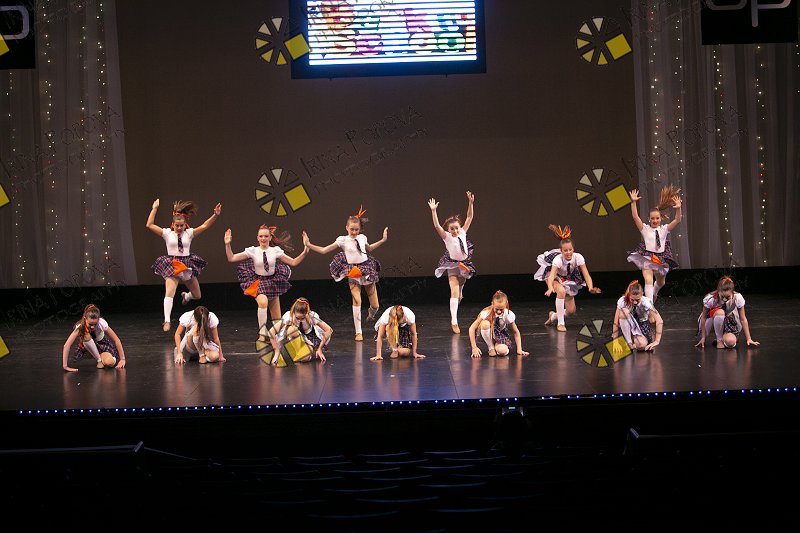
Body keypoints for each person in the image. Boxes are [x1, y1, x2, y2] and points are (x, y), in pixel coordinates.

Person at [303, 205, 388, 341]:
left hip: (366, 269)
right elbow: (324, 250)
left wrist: (382, 240)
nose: (354, 232)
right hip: (353, 271)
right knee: (357, 300)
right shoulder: (342, 240)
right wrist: (309, 245)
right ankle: (358, 332)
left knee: (375, 305)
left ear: (359, 229)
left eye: (356, 229)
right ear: (346, 227)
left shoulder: (362, 237)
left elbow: (370, 249)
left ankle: (371, 315)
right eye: (352, 229)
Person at [147, 199, 221, 331]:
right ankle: (167, 320)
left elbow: (204, 226)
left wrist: (215, 215)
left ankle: (186, 296)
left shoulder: (189, 233)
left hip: (186, 264)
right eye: (177, 225)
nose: (179, 228)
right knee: (170, 291)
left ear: (185, 224)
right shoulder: (167, 233)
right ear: (173, 224)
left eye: (181, 225)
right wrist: (154, 209)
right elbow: (150, 225)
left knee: (197, 295)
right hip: (172, 264)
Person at [224, 226, 309, 339]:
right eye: (261, 236)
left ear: (270, 238)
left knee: (277, 320)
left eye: (266, 236)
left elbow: (293, 262)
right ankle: (262, 334)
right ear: (257, 238)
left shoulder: (275, 251)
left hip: (272, 283)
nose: (263, 238)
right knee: (263, 302)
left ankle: (278, 338)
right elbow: (232, 258)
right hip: (259, 282)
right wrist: (227, 244)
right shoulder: (253, 250)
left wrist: (305, 251)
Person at [535, 224, 601, 332]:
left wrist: (590, 288)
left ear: (573, 249)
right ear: (561, 251)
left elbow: (586, 275)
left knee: (571, 311)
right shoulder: (558, 259)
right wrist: (550, 288)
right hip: (555, 278)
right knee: (561, 291)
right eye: (565, 250)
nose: (568, 252)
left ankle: (553, 316)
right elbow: (551, 276)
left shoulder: (578, 257)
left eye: (570, 250)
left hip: (568, 279)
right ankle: (561, 324)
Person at [428, 191, 476, 334]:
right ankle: (454, 321)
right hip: (453, 264)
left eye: (456, 228)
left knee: (461, 285)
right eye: (452, 229)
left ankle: (461, 291)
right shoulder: (447, 237)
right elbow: (437, 226)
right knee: (453, 291)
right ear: (448, 230)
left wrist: (470, 203)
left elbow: (469, 216)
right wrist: (434, 211)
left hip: (464, 264)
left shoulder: (463, 232)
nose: (455, 231)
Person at [626, 185, 682, 303]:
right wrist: (633, 202)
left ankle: (655, 292)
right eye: (652, 218)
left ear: (660, 218)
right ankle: (649, 306)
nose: (655, 220)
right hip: (648, 257)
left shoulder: (664, 229)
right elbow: (635, 217)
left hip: (661, 258)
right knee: (648, 280)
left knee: (661, 282)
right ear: (649, 219)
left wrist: (678, 208)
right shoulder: (645, 229)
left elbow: (677, 220)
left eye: (657, 218)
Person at [695, 276, 759, 349]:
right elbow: (703, 317)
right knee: (720, 312)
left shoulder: (737, 298)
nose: (724, 299)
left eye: (727, 297)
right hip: (712, 320)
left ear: (732, 293)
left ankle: (723, 337)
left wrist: (749, 338)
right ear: (718, 291)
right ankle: (719, 340)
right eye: (722, 296)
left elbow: (743, 319)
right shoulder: (711, 299)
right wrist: (703, 337)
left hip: (728, 321)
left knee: (730, 342)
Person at [62, 304, 126, 372]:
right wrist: (65, 366)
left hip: (102, 345)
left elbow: (116, 339)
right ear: (85, 319)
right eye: (90, 324)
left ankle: (104, 357)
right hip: (89, 350)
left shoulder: (102, 323)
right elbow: (67, 345)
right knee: (85, 333)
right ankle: (99, 360)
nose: (92, 327)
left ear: (98, 320)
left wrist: (122, 359)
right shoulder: (80, 326)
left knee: (109, 362)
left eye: (95, 324)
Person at [268, 297, 333, 364]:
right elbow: (271, 332)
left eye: (302, 318)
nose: (299, 320)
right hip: (289, 341)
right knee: (292, 330)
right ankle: (293, 352)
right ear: (294, 312)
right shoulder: (288, 316)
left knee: (305, 358)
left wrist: (319, 349)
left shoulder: (311, 316)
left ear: (307, 313)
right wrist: (276, 352)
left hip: (305, 340)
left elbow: (329, 330)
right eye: (297, 318)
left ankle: (301, 354)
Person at [468, 291, 529, 358]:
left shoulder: (508, 314)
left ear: (506, 304)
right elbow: (472, 328)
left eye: (501, 309)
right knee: (485, 324)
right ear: (492, 304)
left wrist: (519, 349)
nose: (499, 311)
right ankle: (491, 348)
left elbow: (515, 332)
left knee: (502, 351)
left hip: (499, 335)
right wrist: (474, 348)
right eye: (496, 309)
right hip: (487, 335)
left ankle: (497, 346)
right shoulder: (486, 312)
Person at [612, 280, 663, 352]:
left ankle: (636, 341)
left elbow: (659, 320)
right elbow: (616, 322)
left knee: (641, 345)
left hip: (641, 325)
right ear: (629, 295)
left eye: (637, 300)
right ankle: (629, 343)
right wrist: (615, 342)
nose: (635, 302)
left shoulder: (646, 302)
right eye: (632, 300)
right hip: (628, 324)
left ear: (642, 294)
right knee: (624, 312)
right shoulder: (623, 301)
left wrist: (657, 341)